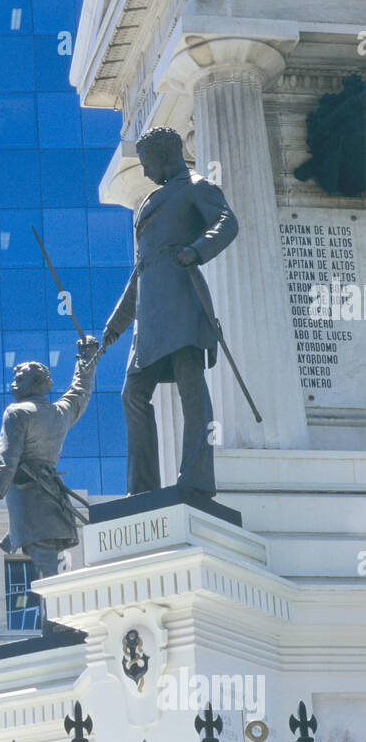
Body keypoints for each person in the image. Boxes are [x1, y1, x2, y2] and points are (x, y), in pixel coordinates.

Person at [101, 126, 238, 500]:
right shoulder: (148, 202)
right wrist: (116, 324)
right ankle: (142, 488)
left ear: (165, 155)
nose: (145, 172)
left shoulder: (196, 185)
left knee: (191, 389)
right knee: (132, 395)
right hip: (149, 317)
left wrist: (196, 249)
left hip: (181, 301)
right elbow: (140, 270)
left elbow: (227, 222)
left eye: (147, 163)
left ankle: (195, 478)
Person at [0, 338, 99, 632]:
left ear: (35, 383)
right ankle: (55, 621)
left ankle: (58, 623)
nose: (13, 385)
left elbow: (9, 456)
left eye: (19, 379)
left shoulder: (17, 413)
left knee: (46, 562)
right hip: (54, 495)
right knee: (50, 560)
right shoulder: (59, 413)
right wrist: (86, 360)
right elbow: (80, 391)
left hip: (30, 495)